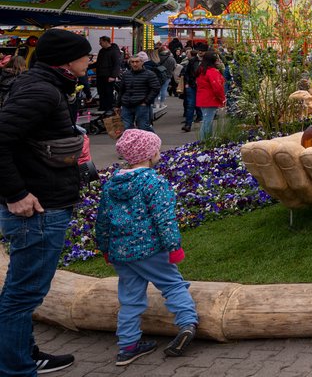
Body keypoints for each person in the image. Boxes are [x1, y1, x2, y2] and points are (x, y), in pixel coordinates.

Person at [0, 28, 92, 376]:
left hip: (45, 200)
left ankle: (23, 354)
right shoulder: (41, 90)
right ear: (66, 60)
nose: (90, 60)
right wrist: (16, 194)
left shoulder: (46, 85)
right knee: (23, 294)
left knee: (23, 291)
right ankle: (15, 367)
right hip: (37, 208)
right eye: (85, 54)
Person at [96, 129, 198, 364]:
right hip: (150, 249)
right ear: (150, 154)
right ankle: (187, 323)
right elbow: (164, 218)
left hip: (121, 252)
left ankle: (128, 346)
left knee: (130, 298)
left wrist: (105, 249)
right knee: (172, 284)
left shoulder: (111, 185)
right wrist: (173, 247)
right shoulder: (154, 182)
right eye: (157, 150)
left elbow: (102, 220)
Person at [119, 52, 161, 133]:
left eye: (137, 62)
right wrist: (118, 105)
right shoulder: (126, 74)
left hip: (141, 104)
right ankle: (132, 141)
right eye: (132, 62)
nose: (135, 64)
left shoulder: (149, 74)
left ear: (142, 62)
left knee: (143, 127)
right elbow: (122, 90)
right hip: (127, 104)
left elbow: (155, 88)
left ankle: (153, 139)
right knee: (127, 128)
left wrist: (146, 102)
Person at [194, 52, 226, 141]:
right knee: (207, 122)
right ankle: (204, 141)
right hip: (210, 99)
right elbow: (217, 87)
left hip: (202, 98)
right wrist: (222, 99)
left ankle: (205, 140)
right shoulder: (212, 71)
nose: (219, 61)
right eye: (217, 59)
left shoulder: (201, 70)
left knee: (206, 120)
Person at [95, 35, 123, 121]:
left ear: (106, 41)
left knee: (108, 92)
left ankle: (109, 107)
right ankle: (103, 106)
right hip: (100, 75)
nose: (99, 43)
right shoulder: (102, 51)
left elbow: (117, 64)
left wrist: (113, 76)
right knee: (101, 91)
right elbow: (98, 63)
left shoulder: (114, 51)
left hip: (108, 76)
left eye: (101, 42)